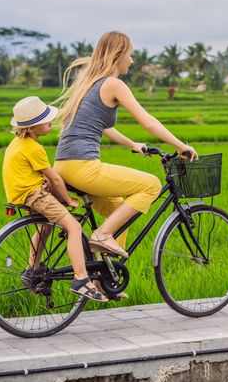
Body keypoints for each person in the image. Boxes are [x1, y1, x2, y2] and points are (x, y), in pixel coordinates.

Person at [53, 31, 198, 263]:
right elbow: (148, 121)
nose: (131, 60)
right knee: (151, 185)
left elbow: (102, 127)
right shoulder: (113, 84)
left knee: (118, 213)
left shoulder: (89, 84)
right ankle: (102, 235)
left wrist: (132, 144)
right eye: (130, 55)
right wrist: (181, 145)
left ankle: (103, 279)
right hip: (83, 168)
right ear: (118, 55)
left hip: (63, 167)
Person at [2, 96, 108, 302]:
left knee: (47, 225)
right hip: (35, 195)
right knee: (74, 228)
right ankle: (81, 279)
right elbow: (55, 180)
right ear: (31, 128)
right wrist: (68, 200)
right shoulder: (34, 148)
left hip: (20, 195)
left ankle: (31, 267)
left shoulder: (17, 144)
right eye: (46, 121)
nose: (51, 123)